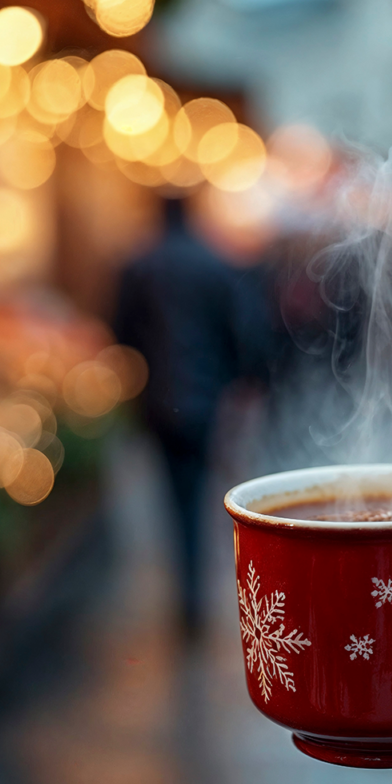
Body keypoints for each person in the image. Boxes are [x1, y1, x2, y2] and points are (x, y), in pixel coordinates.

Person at [114, 197, 267, 635]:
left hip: (159, 400)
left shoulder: (140, 266)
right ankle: (196, 592)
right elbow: (242, 330)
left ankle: (188, 591)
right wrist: (240, 380)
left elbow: (120, 332)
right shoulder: (215, 264)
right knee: (202, 490)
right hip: (207, 400)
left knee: (174, 495)